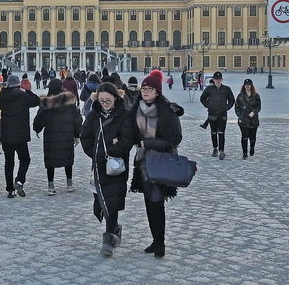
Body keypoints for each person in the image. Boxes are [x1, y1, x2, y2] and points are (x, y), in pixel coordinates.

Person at [128, 70, 183, 259]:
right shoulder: (136, 108)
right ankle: (155, 240)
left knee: (156, 202)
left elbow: (175, 138)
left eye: (150, 89)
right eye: (144, 88)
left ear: (157, 92)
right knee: (149, 204)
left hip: (160, 162)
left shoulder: (167, 110)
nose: (146, 92)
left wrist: (148, 143)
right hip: (142, 163)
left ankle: (160, 243)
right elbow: (130, 131)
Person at [80, 82, 134, 257]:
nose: (104, 103)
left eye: (108, 100)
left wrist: (111, 151)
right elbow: (85, 136)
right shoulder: (93, 115)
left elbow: (127, 140)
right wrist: (96, 153)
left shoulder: (124, 115)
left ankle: (109, 239)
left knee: (113, 199)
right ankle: (115, 229)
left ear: (115, 98)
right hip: (98, 166)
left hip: (116, 166)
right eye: (102, 100)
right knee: (102, 200)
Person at [33, 79, 83, 195]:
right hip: (67, 135)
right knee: (68, 158)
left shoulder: (46, 103)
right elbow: (77, 119)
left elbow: (40, 119)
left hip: (51, 136)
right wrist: (77, 135)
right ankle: (69, 184)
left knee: (50, 161)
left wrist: (37, 128)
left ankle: (51, 186)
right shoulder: (69, 102)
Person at [0, 74, 40, 198]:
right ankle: (19, 180)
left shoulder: (3, 97)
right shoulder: (23, 96)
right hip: (20, 135)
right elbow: (36, 100)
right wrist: (26, 90)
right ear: (19, 84)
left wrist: (5, 90)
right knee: (25, 159)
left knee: (9, 162)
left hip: (7, 135)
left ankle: (10, 190)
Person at [199, 71, 235, 158]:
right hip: (212, 114)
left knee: (221, 133)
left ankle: (221, 150)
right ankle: (215, 148)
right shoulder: (209, 89)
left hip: (222, 114)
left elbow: (232, 100)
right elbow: (202, 98)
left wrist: (227, 107)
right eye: (216, 79)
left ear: (222, 80)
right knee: (213, 132)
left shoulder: (227, 89)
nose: (218, 81)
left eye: (219, 79)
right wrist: (208, 105)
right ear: (214, 80)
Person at [235, 78, 261, 159]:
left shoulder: (256, 96)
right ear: (244, 86)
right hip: (243, 120)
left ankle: (252, 148)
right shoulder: (240, 96)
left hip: (253, 120)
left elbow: (258, 107)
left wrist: (254, 112)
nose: (247, 86)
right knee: (244, 137)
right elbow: (237, 108)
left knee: (253, 137)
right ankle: (244, 153)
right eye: (246, 85)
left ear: (251, 86)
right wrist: (240, 116)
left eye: (249, 85)